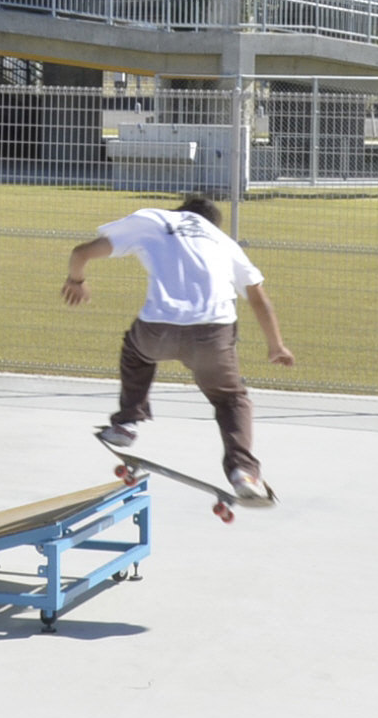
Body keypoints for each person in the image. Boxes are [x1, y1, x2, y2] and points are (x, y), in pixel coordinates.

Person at [60, 192, 293, 504]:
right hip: (213, 334)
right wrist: (276, 345)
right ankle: (244, 472)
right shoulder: (223, 242)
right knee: (230, 399)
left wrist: (76, 281)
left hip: (158, 330)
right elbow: (257, 297)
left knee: (136, 352)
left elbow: (81, 252)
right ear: (212, 224)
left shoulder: (154, 219)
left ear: (180, 211)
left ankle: (126, 424)